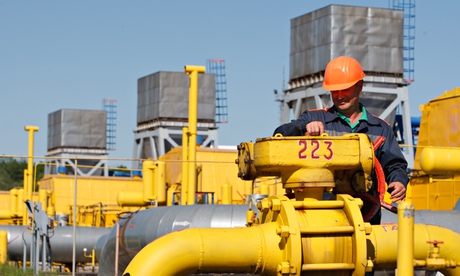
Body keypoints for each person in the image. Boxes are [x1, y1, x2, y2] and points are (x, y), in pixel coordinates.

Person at [273, 56, 408, 225]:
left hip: (366, 220)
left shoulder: (380, 129)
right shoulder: (315, 117)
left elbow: (394, 164)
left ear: (359, 86)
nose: (340, 96)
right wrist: (304, 127)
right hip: (322, 219)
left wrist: (398, 181)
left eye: (345, 89)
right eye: (334, 91)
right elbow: (280, 133)